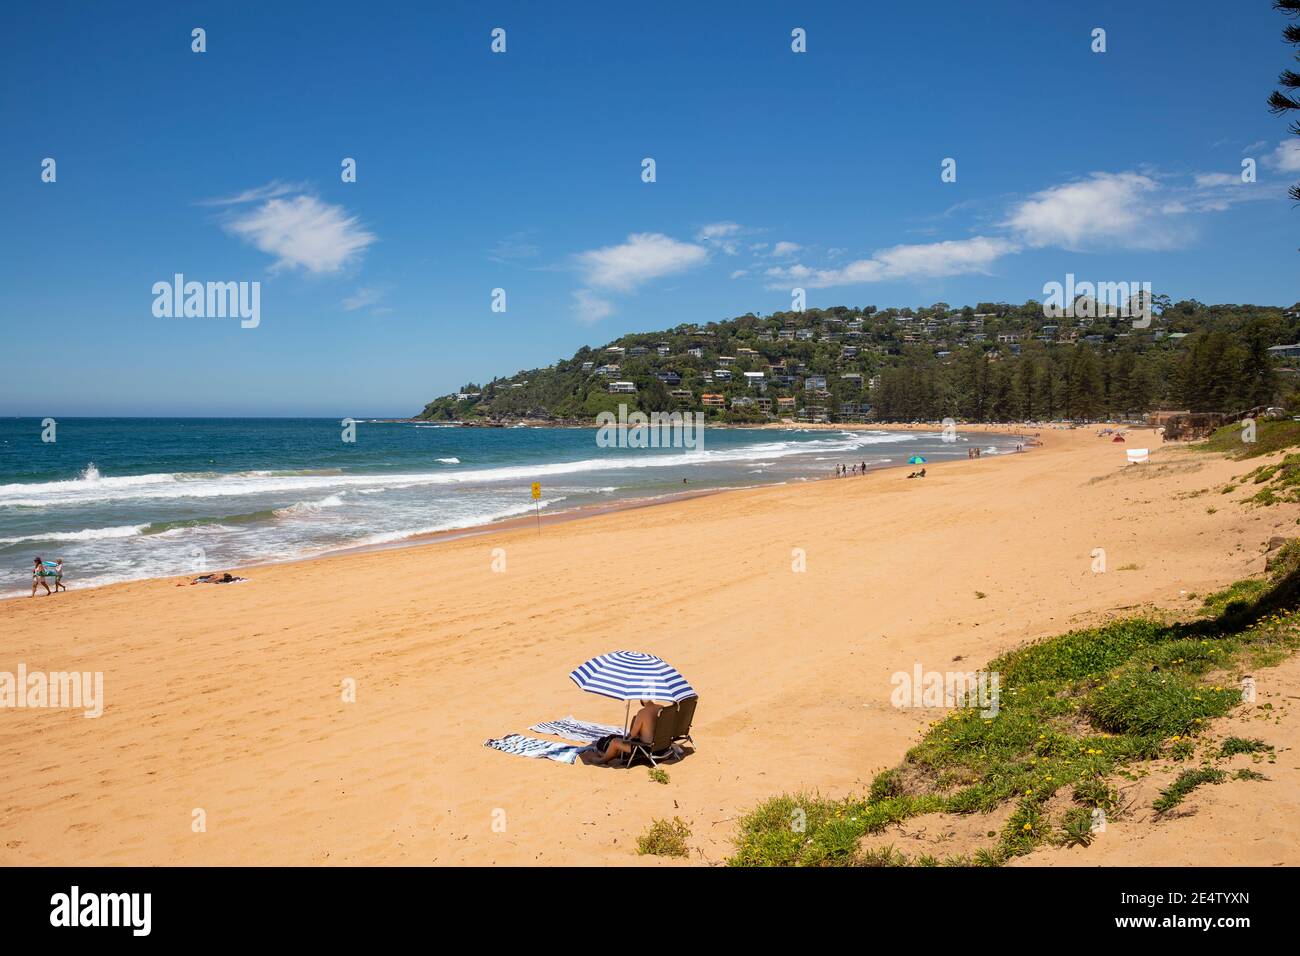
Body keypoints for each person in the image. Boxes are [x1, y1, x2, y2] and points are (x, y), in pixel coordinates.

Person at [590, 700, 661, 764]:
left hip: (646, 748)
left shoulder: (642, 712)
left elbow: (632, 735)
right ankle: (609, 754)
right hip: (661, 747)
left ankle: (603, 760)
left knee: (614, 742)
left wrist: (628, 735)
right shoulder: (661, 708)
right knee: (616, 739)